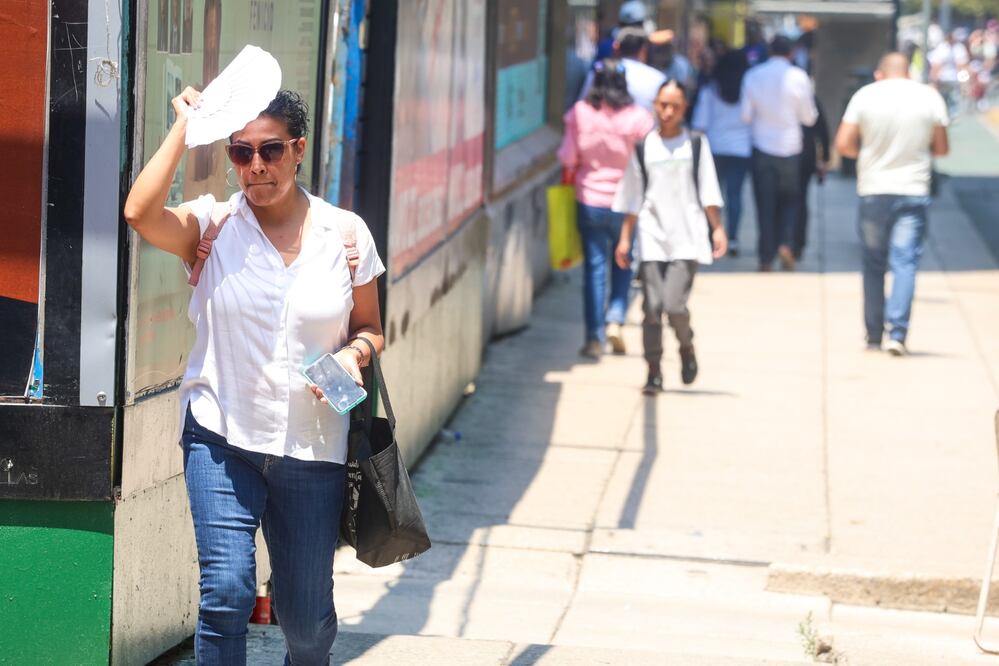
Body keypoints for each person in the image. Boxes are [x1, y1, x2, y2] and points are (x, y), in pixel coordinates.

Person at [123, 88, 386, 663]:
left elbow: (371, 326)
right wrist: (185, 127)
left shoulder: (345, 235)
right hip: (221, 438)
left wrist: (354, 355)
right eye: (241, 153)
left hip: (312, 447)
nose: (256, 166)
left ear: (298, 150)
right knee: (227, 593)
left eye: (270, 150)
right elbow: (140, 213)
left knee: (307, 622)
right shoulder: (212, 226)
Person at [612, 80, 728, 393]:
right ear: (654, 105)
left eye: (675, 106)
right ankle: (654, 372)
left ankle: (686, 347)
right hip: (651, 236)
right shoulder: (643, 147)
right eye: (663, 104)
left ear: (684, 108)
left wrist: (716, 228)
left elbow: (707, 189)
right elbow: (633, 197)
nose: (668, 111)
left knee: (674, 305)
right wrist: (625, 238)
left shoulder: (696, 144)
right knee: (651, 307)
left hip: (687, 236)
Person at [835, 52, 949, 356]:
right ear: (909, 73)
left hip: (873, 188)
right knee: (905, 263)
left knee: (873, 263)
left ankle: (873, 334)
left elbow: (843, 143)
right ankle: (897, 332)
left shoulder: (865, 96)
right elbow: (941, 148)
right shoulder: (929, 98)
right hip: (913, 188)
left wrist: (867, 158)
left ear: (878, 74)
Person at [559, 59, 654, 358]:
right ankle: (616, 316)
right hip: (627, 203)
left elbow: (568, 158)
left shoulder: (580, 114)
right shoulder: (639, 118)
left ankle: (594, 336)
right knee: (624, 261)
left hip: (590, 200)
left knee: (595, 269)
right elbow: (648, 162)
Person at [741, 35, 818, 271]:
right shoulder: (799, 77)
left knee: (765, 204)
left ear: (769, 50)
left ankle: (766, 256)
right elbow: (809, 117)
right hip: (791, 147)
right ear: (791, 53)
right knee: (790, 201)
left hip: (762, 147)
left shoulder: (753, 75)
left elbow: (745, 115)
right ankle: (786, 243)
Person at [692, 49, 751, 256]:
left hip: (714, 149)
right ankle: (732, 239)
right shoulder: (748, 91)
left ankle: (712, 236)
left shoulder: (710, 91)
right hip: (741, 150)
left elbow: (699, 124)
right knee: (735, 196)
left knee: (711, 197)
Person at [580, 28, 666, 113]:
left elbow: (583, 105)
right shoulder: (658, 78)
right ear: (643, 49)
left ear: (616, 47)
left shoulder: (599, 71)